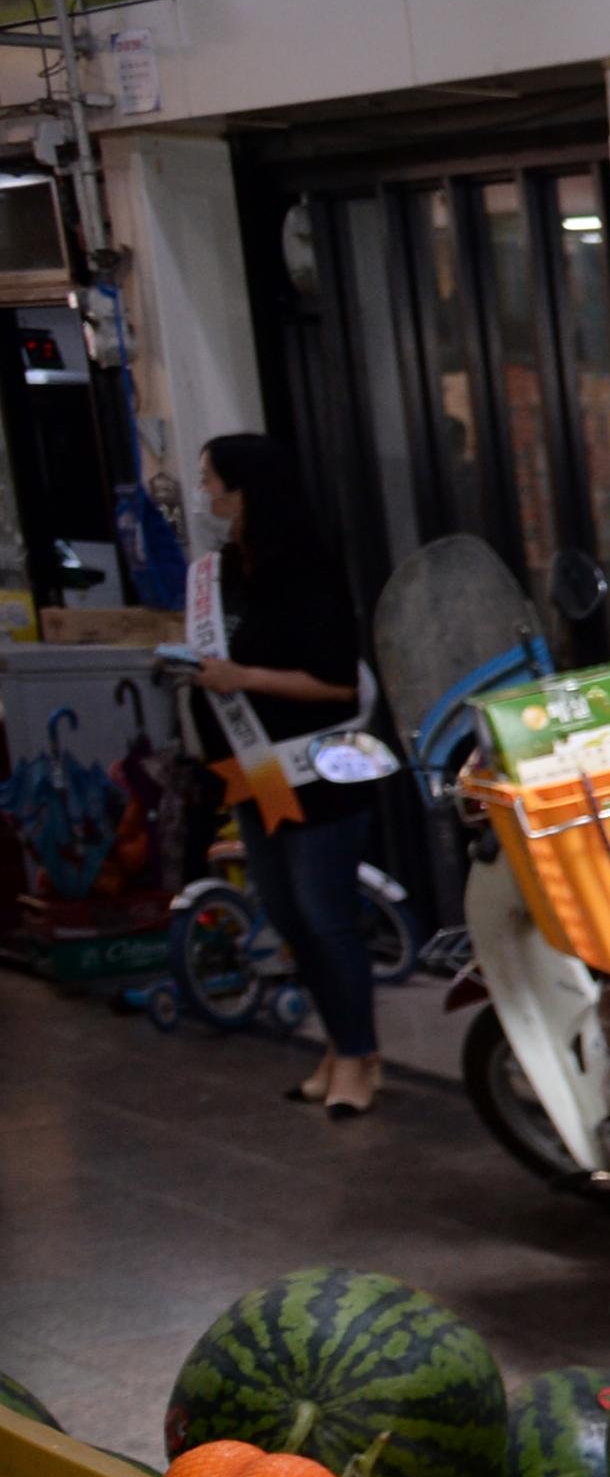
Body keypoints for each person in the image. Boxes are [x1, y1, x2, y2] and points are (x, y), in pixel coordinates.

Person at [188, 434, 381, 1116]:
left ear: (248, 488)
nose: (205, 493)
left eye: (213, 481)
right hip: (255, 771)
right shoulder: (221, 572)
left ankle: (360, 1058)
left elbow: (335, 684)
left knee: (326, 916)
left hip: (322, 771)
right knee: (288, 913)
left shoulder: (306, 568)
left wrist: (242, 677)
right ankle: (339, 1044)